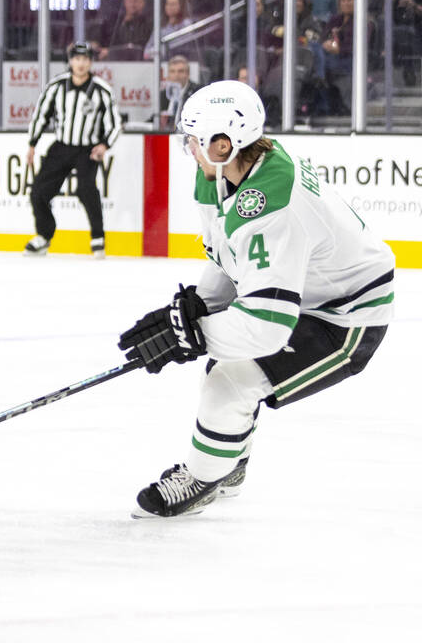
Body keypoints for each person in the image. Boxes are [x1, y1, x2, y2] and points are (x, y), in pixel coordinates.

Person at [118, 80, 394, 518]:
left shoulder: (272, 204)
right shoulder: (230, 170)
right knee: (227, 366)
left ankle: (204, 478)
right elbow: (232, 251)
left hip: (345, 316)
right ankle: (227, 464)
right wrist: (199, 306)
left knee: (229, 382)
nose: (189, 148)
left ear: (223, 143)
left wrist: (190, 337)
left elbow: (266, 326)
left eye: (194, 140)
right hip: (311, 291)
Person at [24, 43, 121, 259]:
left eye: (85, 59)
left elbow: (114, 124)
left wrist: (104, 145)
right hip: (61, 146)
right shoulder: (56, 86)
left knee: (86, 189)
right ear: (70, 61)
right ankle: (43, 235)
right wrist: (32, 143)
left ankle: (98, 238)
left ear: (91, 62)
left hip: (87, 149)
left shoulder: (101, 90)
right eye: (77, 59)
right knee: (38, 191)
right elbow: (41, 115)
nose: (81, 63)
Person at [159, 55, 199, 131]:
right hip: (166, 137)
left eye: (180, 71)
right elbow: (155, 120)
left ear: (187, 74)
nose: (176, 75)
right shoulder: (163, 95)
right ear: (168, 75)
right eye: (172, 71)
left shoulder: (197, 93)